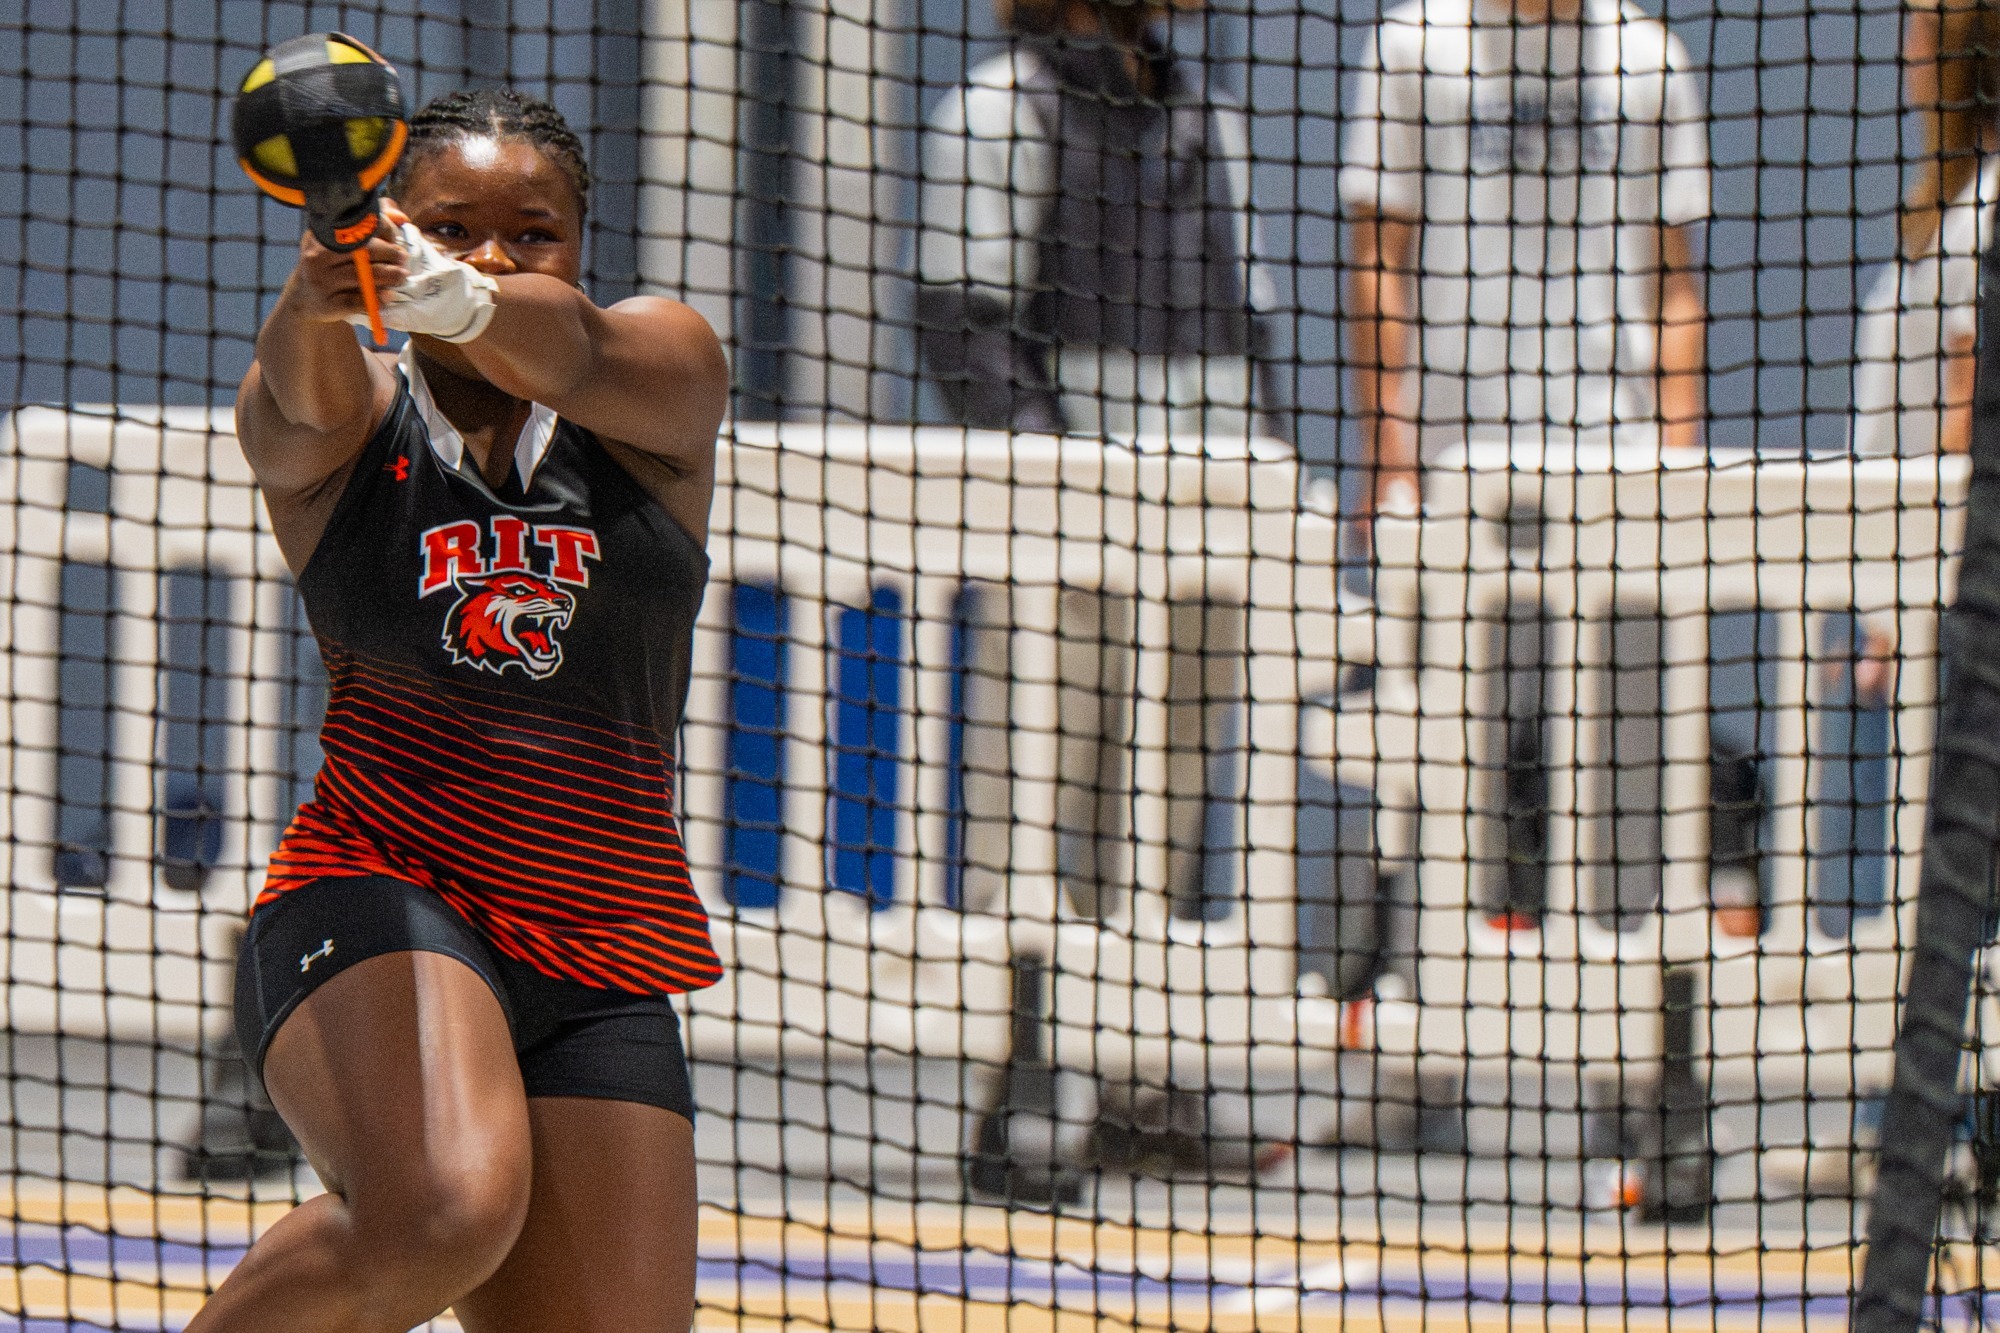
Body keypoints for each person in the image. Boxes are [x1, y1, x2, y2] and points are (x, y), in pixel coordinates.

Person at [187, 89, 728, 1333]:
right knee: (437, 1208)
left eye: (530, 232)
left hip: (602, 940)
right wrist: (324, 287)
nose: (492, 253)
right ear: (390, 234)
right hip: (382, 889)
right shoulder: (356, 422)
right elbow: (293, 407)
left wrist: (457, 297)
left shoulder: (656, 380)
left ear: (581, 245)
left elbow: (574, 350)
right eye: (451, 226)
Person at [1340, 0, 1745, 936]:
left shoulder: (1648, 59)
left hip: (1617, 484)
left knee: (1632, 792)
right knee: (1441, 787)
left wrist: (1677, 466)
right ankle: (1418, 1047)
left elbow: (1673, 279)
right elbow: (1377, 255)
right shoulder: (1415, 46)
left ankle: (1641, 1057)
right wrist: (1389, 449)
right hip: (1458, 481)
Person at [1767, 0, 2000, 1201]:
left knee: (1913, 878)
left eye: (1921, 28)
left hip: (1920, 608)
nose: (1901, 50)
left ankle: (1919, 1131)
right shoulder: (1951, 206)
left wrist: (1901, 615)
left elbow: (1963, 423)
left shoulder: (1976, 219)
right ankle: (1910, 1122)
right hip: (1897, 592)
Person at [915, 0, 1285, 447]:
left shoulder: (1215, 119)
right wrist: (1056, 477)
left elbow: (1253, 332)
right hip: (1068, 499)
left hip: (1213, 501)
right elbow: (963, 328)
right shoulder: (997, 111)